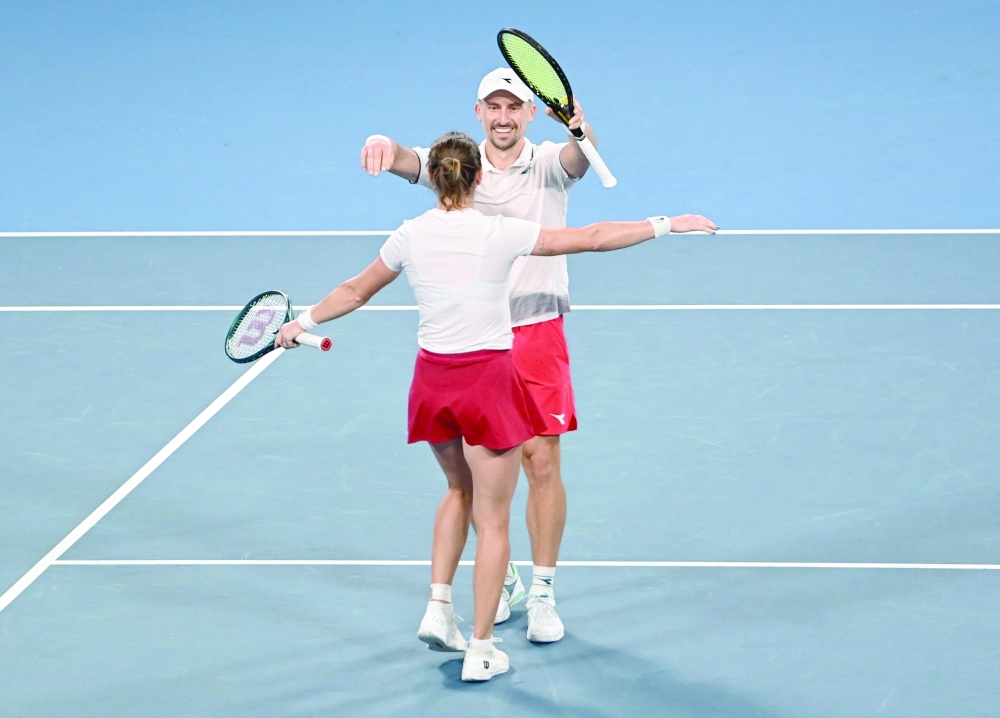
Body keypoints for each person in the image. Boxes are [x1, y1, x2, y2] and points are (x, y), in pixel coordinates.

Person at [280, 131, 715, 681]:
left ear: (433, 179)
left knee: (456, 491)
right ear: (478, 179)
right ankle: (482, 649)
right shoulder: (501, 232)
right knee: (494, 520)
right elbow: (594, 237)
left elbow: (353, 291)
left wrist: (301, 323)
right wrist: (665, 223)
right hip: (487, 385)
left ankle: (439, 608)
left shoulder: (408, 235)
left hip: (431, 384)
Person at [359, 67, 607, 643]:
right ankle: (506, 580)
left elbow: (580, 158)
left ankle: (543, 592)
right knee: (476, 475)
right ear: (478, 112)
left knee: (541, 462)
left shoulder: (548, 162)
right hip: (478, 342)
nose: (502, 117)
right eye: (492, 107)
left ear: (526, 113)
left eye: (512, 107)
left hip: (536, 328)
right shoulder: (460, 164)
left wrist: (580, 130)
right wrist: (383, 143)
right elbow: (404, 159)